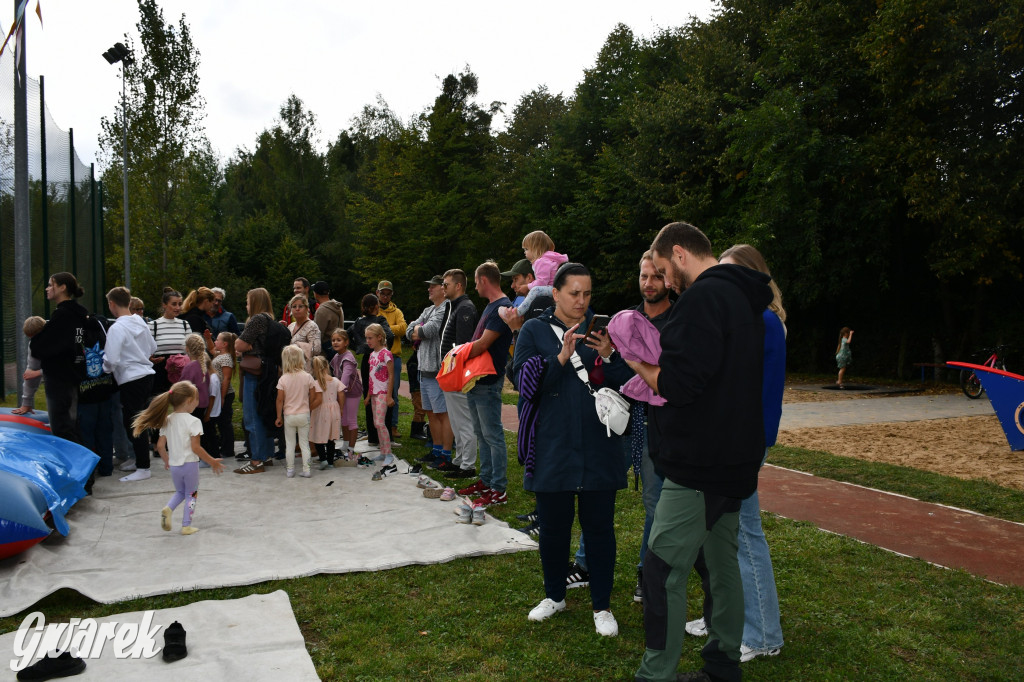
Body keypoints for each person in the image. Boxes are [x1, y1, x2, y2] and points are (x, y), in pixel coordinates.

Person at [630, 222, 772, 682]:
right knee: (720, 564)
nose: (666, 281)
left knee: (660, 570)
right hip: (735, 459)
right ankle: (723, 665)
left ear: (679, 253)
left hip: (700, 465)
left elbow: (678, 383)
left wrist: (637, 362)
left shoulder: (704, 297)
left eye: (666, 271)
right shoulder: (744, 297)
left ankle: (657, 674)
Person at [512, 262, 634, 638]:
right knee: (553, 529)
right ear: (557, 294)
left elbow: (629, 385)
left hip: (599, 446)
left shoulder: (604, 331)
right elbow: (524, 383)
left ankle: (602, 606)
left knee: (599, 529)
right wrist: (562, 356)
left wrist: (611, 355)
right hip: (554, 445)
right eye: (574, 293)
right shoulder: (534, 329)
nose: (581, 301)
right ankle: (554, 595)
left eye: (587, 294)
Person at [684, 243, 787, 663]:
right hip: (733, 438)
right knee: (721, 532)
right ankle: (723, 617)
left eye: (729, 274)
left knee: (744, 534)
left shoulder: (762, 321)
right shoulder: (751, 319)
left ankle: (763, 634)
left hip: (745, 441)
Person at [450, 262, 514, 509]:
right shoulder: (490, 307)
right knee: (482, 434)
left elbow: (483, 344)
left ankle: (498, 488)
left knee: (493, 435)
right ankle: (486, 481)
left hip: (489, 379)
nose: (474, 286)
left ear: (484, 280)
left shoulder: (502, 308)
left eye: (476, 281)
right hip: (477, 380)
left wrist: (457, 354)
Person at [132, 381, 224, 535]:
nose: (198, 401)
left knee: (180, 492)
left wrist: (167, 461)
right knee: (191, 494)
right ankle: (186, 525)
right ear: (189, 401)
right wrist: (212, 461)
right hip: (189, 465)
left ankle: (168, 508)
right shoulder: (194, 422)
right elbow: (196, 448)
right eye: (196, 398)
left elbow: (160, 446)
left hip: (174, 465)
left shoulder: (167, 420)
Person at [102, 286, 158, 482]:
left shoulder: (117, 327)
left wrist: (105, 367)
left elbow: (111, 359)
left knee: (133, 423)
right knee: (138, 419)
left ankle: (143, 467)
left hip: (131, 379)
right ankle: (140, 460)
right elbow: (153, 347)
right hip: (147, 375)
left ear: (112, 304)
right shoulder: (140, 322)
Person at [29, 273, 89, 444]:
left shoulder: (63, 315)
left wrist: (37, 340)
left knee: (62, 426)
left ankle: (75, 466)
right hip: (72, 375)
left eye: (50, 285)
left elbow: (43, 345)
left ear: (62, 287)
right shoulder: (77, 314)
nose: (47, 289)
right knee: (71, 424)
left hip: (60, 377)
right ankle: (83, 466)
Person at [408, 275, 453, 469]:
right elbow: (410, 330)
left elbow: (431, 330)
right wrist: (418, 329)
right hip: (423, 368)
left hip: (437, 368)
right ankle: (435, 450)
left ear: (443, 289)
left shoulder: (446, 308)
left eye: (433, 287)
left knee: (442, 413)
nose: (429, 290)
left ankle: (446, 453)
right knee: (431, 412)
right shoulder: (428, 310)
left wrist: (419, 330)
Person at [436, 269, 478, 473]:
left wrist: (457, 373)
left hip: (457, 374)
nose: (443, 288)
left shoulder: (465, 308)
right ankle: (460, 459)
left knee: (463, 420)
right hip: (450, 373)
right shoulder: (454, 307)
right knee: (455, 419)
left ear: (458, 286)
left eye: (446, 284)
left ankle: (468, 465)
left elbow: (464, 345)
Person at [234, 287, 278, 474]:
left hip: (254, 371)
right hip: (267, 371)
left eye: (248, 301)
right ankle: (266, 455)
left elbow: (239, 344)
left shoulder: (257, 319)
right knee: (263, 413)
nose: (246, 305)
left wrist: (242, 345)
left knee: (252, 417)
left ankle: (256, 460)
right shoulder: (270, 319)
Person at [349, 294, 394, 447]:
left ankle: (373, 437)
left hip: (367, 361)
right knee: (384, 396)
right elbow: (390, 334)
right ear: (376, 306)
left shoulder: (358, 322)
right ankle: (386, 436)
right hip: (379, 360)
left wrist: (359, 347)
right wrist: (385, 348)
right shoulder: (380, 321)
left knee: (370, 398)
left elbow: (347, 335)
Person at [275, 344, 322, 479]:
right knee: (304, 444)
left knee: (290, 444)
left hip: (289, 415)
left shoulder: (283, 379)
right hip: (304, 414)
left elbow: (279, 400)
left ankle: (290, 470)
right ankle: (306, 470)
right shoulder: (307, 377)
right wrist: (308, 407)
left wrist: (279, 416)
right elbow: (313, 396)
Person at [500, 230, 568, 322]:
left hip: (554, 289)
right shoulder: (549, 259)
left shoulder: (541, 262)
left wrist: (527, 286)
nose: (524, 252)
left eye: (526, 249)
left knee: (535, 290)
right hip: (558, 289)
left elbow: (542, 282)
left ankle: (518, 312)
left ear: (536, 249)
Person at [363, 323, 397, 480]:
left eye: (370, 338)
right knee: (377, 423)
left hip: (383, 393)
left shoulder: (386, 354)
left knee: (379, 423)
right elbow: (371, 377)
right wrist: (369, 396)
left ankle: (388, 452)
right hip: (375, 394)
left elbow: (391, 376)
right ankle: (383, 452)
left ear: (379, 337)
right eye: (366, 338)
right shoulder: (372, 355)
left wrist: (390, 395)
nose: (368, 341)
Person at [376, 280, 407, 439]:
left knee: (393, 391)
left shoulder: (397, 312)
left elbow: (403, 328)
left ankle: (393, 425)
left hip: (393, 357)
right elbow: (370, 329)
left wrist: (384, 330)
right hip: (377, 358)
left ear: (391, 295)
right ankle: (377, 424)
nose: (385, 296)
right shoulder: (374, 310)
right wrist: (391, 330)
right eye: (383, 293)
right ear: (377, 293)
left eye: (388, 294)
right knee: (377, 391)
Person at [148, 288, 191, 395]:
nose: (178, 307)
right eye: (174, 304)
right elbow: (146, 349)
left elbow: (191, 348)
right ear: (164, 305)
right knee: (160, 401)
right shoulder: (153, 325)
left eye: (180, 304)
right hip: (160, 369)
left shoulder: (185, 324)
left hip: (181, 369)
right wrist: (151, 359)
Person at [330, 329, 361, 463]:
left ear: (346, 342)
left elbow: (344, 379)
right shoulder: (336, 357)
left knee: (351, 420)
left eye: (339, 340)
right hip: (342, 392)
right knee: (343, 420)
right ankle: (345, 444)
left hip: (352, 392)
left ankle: (351, 449)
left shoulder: (348, 359)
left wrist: (335, 391)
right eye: (333, 340)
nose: (335, 342)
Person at [180, 334, 213, 452]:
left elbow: (183, 386)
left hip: (192, 404)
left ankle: (198, 454)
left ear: (187, 348)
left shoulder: (189, 367)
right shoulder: (203, 365)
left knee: (192, 431)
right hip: (203, 402)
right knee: (199, 429)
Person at [310, 355, 344, 470]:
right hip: (334, 409)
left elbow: (316, 400)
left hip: (321, 412)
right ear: (326, 366)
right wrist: (341, 408)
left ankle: (323, 459)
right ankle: (330, 462)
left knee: (318, 435)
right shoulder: (335, 380)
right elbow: (341, 394)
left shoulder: (316, 383)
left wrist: (309, 408)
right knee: (331, 438)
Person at [210, 332, 237, 461]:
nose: (215, 341)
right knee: (220, 422)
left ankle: (228, 449)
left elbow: (226, 378)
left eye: (217, 340)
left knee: (224, 422)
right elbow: (211, 349)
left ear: (224, 344)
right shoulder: (220, 355)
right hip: (219, 393)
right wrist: (207, 338)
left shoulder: (226, 358)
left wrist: (222, 396)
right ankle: (223, 445)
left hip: (225, 393)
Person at [12, 316, 46, 415]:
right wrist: (26, 403)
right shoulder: (34, 345)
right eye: (31, 338)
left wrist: (38, 372)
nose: (35, 341)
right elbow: (31, 371)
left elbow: (63, 365)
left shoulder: (59, 337)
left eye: (35, 337)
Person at [287, 294, 322, 372]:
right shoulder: (290, 326)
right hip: (291, 368)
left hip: (306, 369)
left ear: (307, 309)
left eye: (300, 306)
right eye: (294, 306)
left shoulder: (312, 326)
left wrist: (297, 346)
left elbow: (317, 349)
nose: (297, 309)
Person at [311, 281, 344, 362]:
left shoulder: (321, 310)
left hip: (327, 352)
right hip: (339, 346)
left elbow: (318, 335)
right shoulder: (337, 306)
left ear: (315, 294)